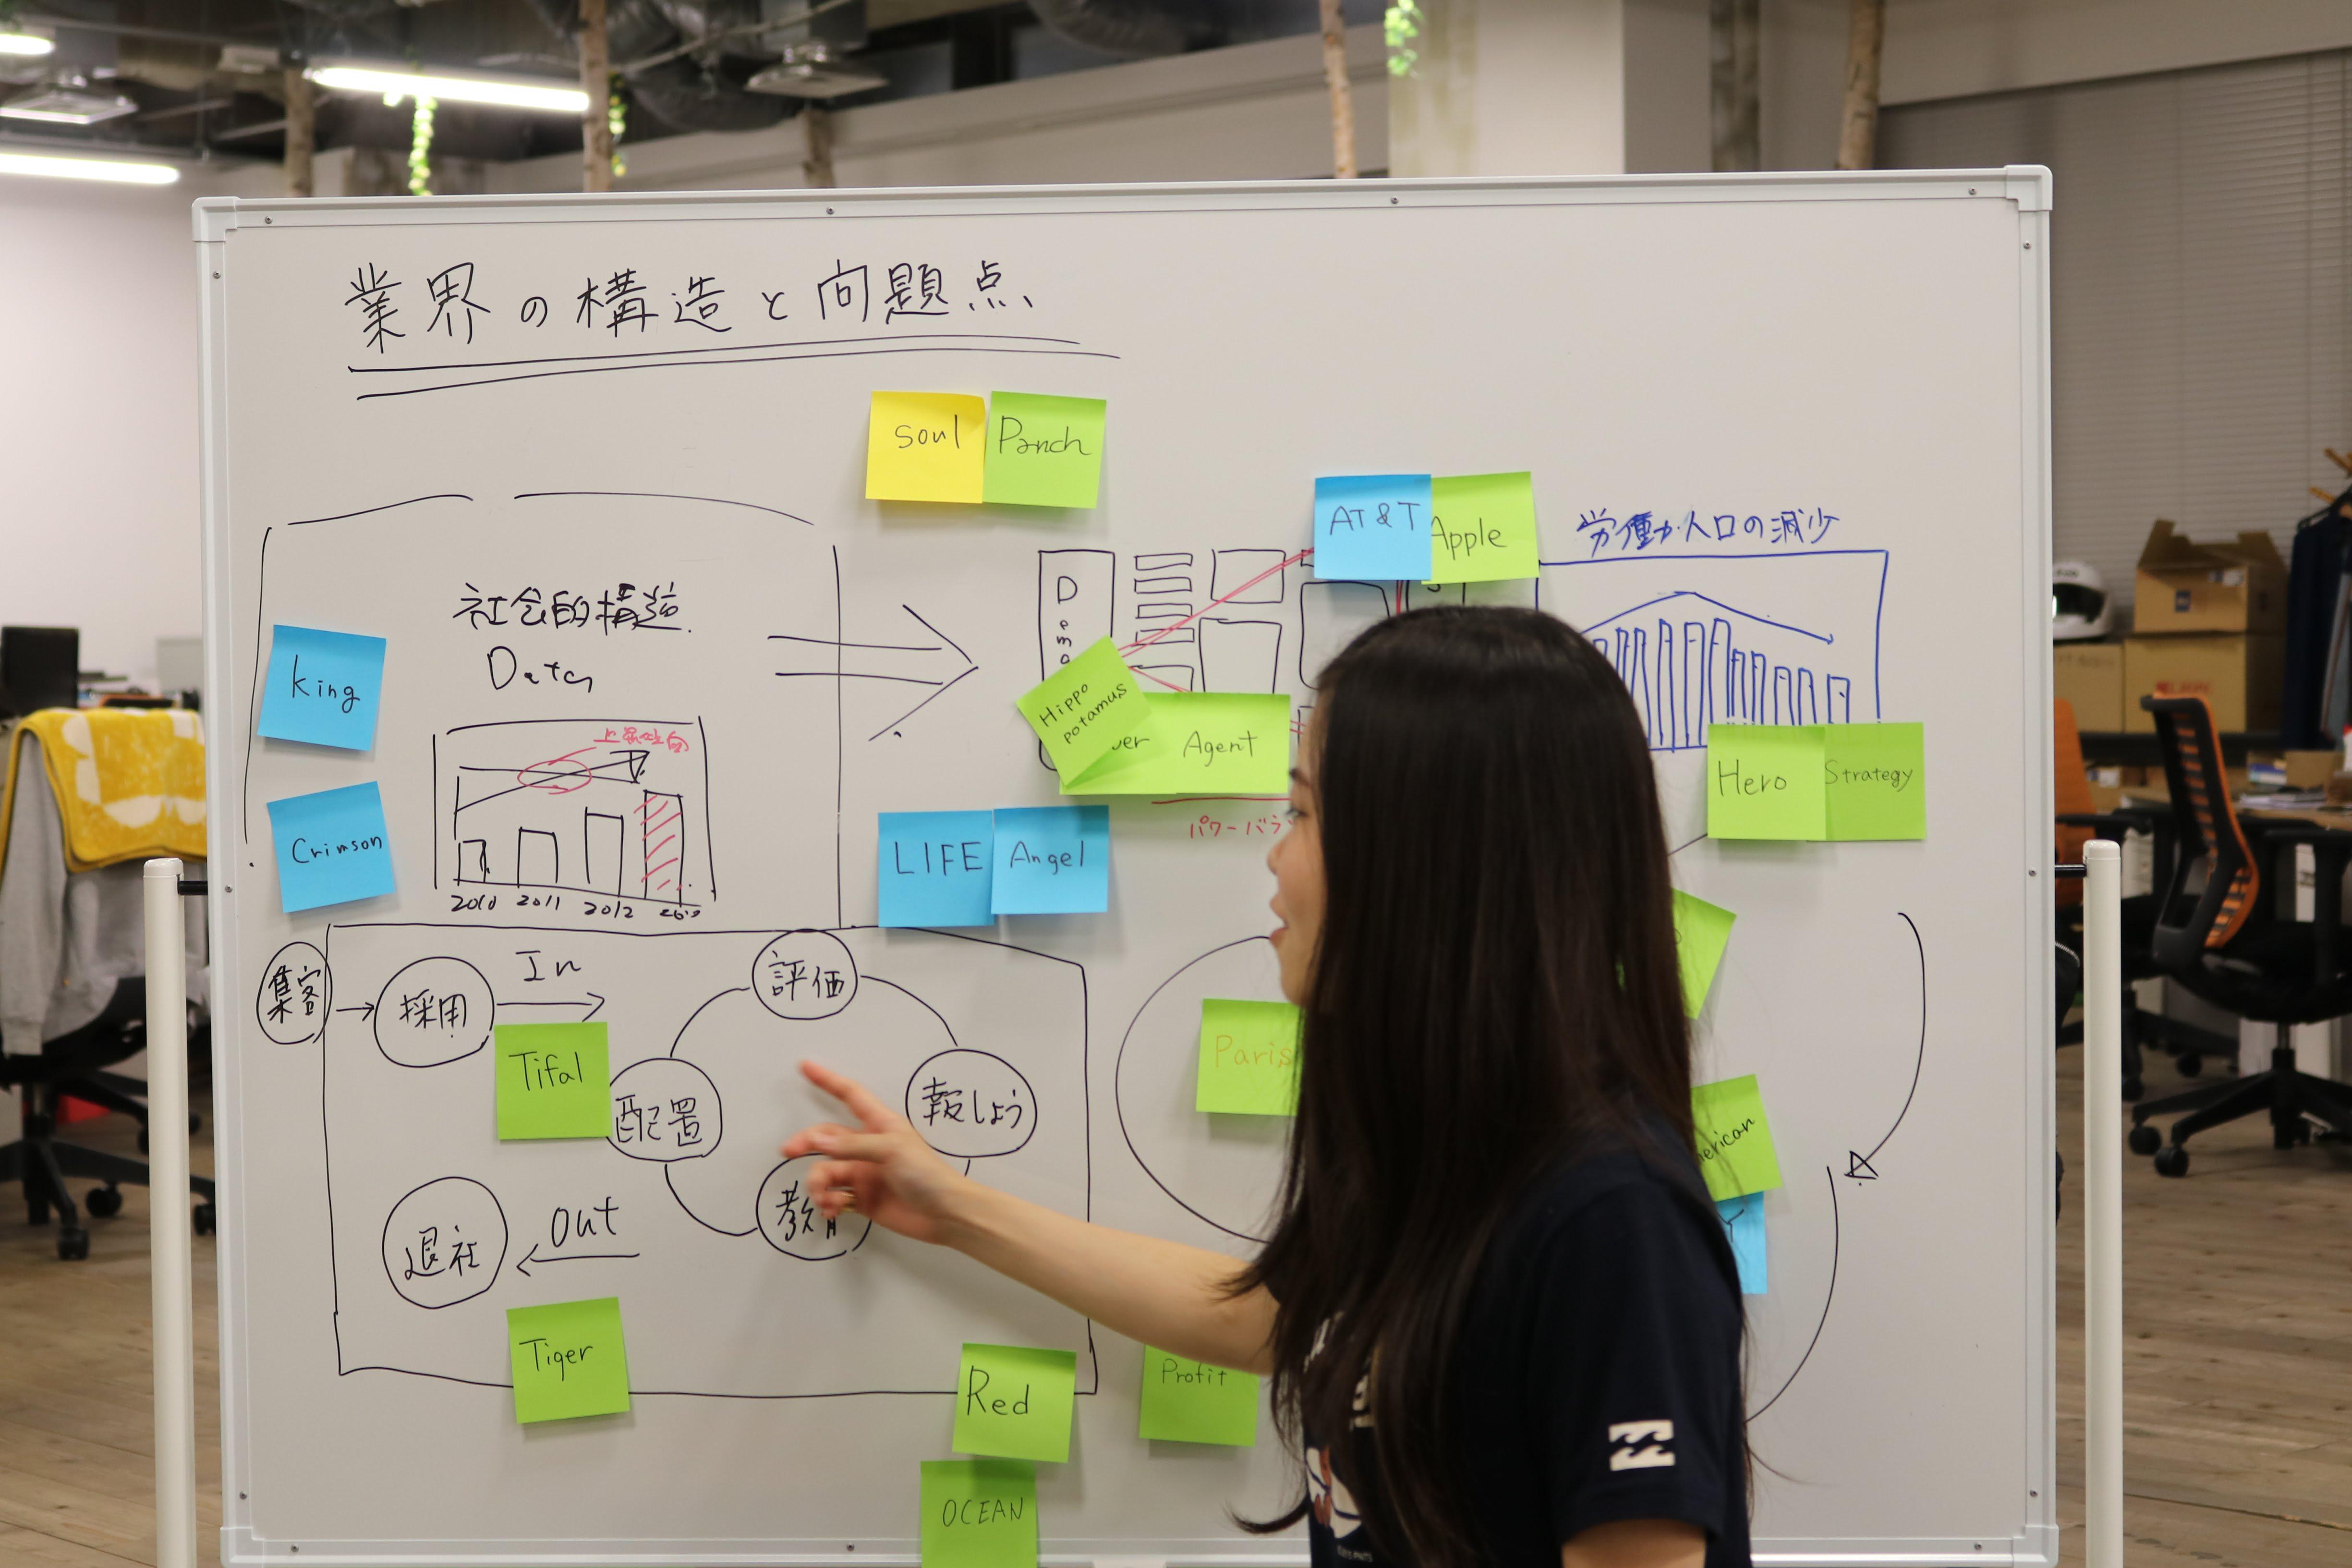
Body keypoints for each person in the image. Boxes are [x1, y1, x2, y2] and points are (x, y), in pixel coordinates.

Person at [783, 607, 1751, 1568]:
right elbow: (1272, 1318)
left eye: (1303, 813)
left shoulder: (1611, 1223)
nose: (1274, 854)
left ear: (1427, 862)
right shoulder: (1448, 1145)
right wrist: (953, 1209)